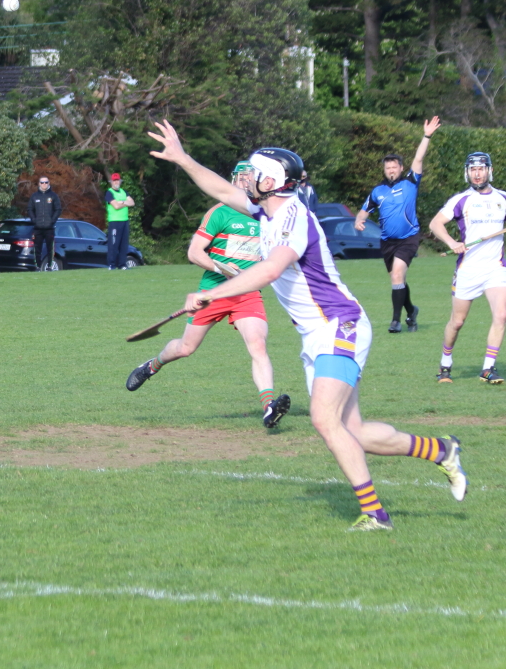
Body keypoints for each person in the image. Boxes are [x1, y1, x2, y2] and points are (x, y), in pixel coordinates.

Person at [148, 120, 467, 531]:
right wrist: (182, 158)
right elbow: (222, 190)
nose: (247, 178)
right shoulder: (267, 209)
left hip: (340, 324)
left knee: (323, 418)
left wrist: (214, 293)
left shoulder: (291, 217)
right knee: (355, 431)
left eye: (255, 173)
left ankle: (375, 514)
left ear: (273, 180)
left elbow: (270, 269)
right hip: (317, 333)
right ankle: (443, 451)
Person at [126, 161, 291, 428]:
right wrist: (222, 268)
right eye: (242, 177)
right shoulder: (221, 212)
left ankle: (269, 407)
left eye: (251, 177)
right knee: (185, 348)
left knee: (258, 345)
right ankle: (152, 365)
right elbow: (194, 253)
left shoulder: (268, 215)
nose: (246, 182)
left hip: (247, 293)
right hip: (212, 291)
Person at [354, 116, 441, 332]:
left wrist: (427, 135)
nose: (391, 170)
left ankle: (396, 321)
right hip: (387, 241)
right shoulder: (378, 191)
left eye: (394, 167)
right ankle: (411, 310)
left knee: (397, 275)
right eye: (388, 168)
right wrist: (359, 221)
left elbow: (419, 159)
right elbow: (364, 211)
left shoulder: (410, 182)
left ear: (401, 168)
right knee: (397, 279)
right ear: (384, 170)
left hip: (409, 237)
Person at [428, 152, 506, 384]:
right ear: (467, 172)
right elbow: (435, 223)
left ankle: (487, 369)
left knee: (501, 315)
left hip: (496, 268)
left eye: (481, 168)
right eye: (473, 169)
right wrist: (452, 243)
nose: (477, 173)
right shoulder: (461, 200)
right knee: (457, 322)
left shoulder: (503, 197)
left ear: (489, 171)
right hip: (468, 270)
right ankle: (445, 365)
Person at [27, 176, 62, 271]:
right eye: (42, 182)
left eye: (46, 182)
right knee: (37, 248)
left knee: (50, 248)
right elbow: (30, 209)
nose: (44, 184)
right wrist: (34, 220)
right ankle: (37, 267)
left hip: (49, 228)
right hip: (37, 227)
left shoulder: (53, 196)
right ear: (39, 183)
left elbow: (58, 209)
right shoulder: (34, 196)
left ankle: (50, 266)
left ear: (49, 183)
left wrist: (52, 221)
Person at [105, 172, 135, 270]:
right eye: (114, 180)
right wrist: (125, 203)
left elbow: (132, 202)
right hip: (114, 221)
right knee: (114, 244)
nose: (116, 182)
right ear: (111, 182)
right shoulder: (109, 192)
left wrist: (122, 202)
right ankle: (111, 264)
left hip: (124, 221)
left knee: (123, 244)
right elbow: (116, 206)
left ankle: (122, 264)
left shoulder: (123, 192)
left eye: (117, 180)